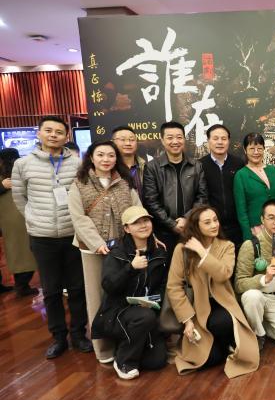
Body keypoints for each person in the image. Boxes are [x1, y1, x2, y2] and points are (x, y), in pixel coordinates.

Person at [11, 116, 91, 358]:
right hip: (42, 236)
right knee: (51, 290)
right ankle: (58, 337)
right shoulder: (23, 164)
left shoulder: (77, 163)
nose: (53, 135)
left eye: (59, 132)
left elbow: (84, 194)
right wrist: (34, 219)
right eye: (48, 130)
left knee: (77, 288)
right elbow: (19, 198)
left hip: (73, 235)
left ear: (67, 136)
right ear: (39, 133)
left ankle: (78, 334)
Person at [68, 140, 141, 363]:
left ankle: (124, 341)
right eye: (100, 155)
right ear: (91, 157)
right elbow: (78, 217)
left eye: (111, 155)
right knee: (97, 298)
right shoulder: (80, 183)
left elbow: (137, 211)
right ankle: (103, 349)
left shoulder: (124, 182)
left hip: (122, 248)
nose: (106, 159)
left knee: (121, 294)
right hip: (93, 250)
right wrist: (97, 243)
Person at [166, 205, 259, 377]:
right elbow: (174, 286)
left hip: (222, 302)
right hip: (196, 307)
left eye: (215, 220)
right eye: (207, 222)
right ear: (196, 226)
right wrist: (187, 320)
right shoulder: (182, 249)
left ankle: (226, 342)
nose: (214, 225)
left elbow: (223, 274)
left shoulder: (227, 246)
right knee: (209, 359)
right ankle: (219, 346)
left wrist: (202, 252)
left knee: (222, 322)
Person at [92, 206, 168, 379]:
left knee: (156, 362)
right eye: (136, 223)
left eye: (146, 220)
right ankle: (124, 361)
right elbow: (109, 286)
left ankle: (130, 344)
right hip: (117, 312)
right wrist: (131, 268)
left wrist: (154, 300)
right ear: (127, 228)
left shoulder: (159, 250)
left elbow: (163, 285)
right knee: (144, 317)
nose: (143, 225)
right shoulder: (116, 252)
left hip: (148, 309)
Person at [235, 199, 275, 350]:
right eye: (271, 218)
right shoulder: (251, 245)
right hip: (256, 297)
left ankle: (263, 325)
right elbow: (239, 284)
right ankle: (258, 334)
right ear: (262, 219)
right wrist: (264, 278)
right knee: (253, 297)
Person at [143, 121, 208, 256]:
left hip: (191, 229)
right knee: (168, 267)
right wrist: (172, 224)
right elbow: (151, 201)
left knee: (193, 266)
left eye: (179, 137)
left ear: (184, 139)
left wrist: (187, 219)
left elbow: (202, 197)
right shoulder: (152, 167)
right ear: (162, 140)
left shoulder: (196, 166)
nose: (175, 141)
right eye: (170, 137)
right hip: (164, 232)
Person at [199, 124, 246, 246]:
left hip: (237, 226)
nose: (220, 142)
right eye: (215, 138)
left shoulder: (238, 163)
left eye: (224, 139)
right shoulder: (200, 166)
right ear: (208, 141)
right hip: (212, 228)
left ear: (228, 141)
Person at [0, 148, 37, 297]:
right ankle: (22, 285)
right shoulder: (20, 172)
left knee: (18, 252)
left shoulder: (17, 173)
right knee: (23, 252)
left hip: (13, 219)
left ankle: (21, 284)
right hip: (19, 217)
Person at [234, 133, 275, 241]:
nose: (256, 152)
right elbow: (241, 211)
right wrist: (248, 237)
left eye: (259, 148)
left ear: (264, 149)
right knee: (261, 253)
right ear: (245, 150)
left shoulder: (274, 171)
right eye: (252, 149)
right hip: (257, 230)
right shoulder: (241, 175)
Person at [112, 125, 146, 199]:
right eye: (122, 139)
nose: (128, 143)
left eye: (132, 140)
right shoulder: (109, 168)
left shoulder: (146, 166)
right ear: (113, 142)